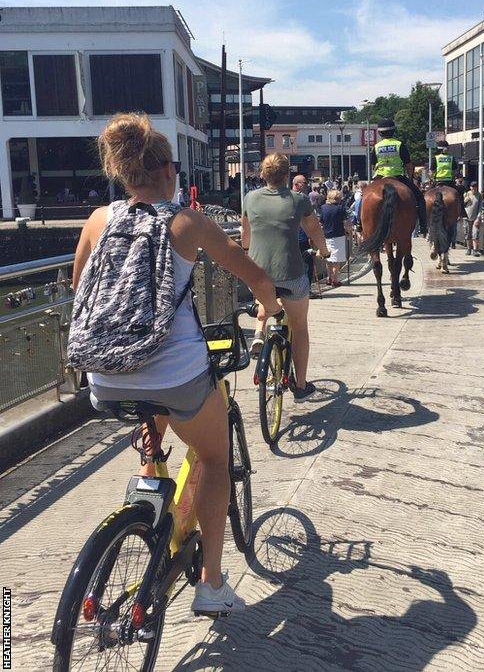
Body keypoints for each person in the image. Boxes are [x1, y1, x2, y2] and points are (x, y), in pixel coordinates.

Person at [73, 112, 280, 615]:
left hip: (103, 375)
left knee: (154, 414)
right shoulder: (187, 223)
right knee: (213, 457)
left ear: (124, 175)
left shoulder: (100, 219)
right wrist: (269, 307)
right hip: (177, 374)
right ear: (168, 171)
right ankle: (210, 586)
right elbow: (253, 274)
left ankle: (148, 498)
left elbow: (80, 288)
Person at [242, 153, 331, 400]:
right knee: (300, 327)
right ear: (287, 175)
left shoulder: (249, 198)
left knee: (262, 289)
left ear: (262, 174)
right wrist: (323, 251)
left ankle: (260, 330)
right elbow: (313, 229)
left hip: (257, 273)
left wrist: (248, 250)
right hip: (291, 274)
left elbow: (246, 236)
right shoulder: (298, 200)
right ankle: (300, 386)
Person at [370, 117, 428, 236]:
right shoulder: (399, 144)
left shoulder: (376, 147)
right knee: (420, 198)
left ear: (380, 133)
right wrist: (410, 178)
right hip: (398, 176)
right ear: (393, 131)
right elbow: (408, 165)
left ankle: (360, 223)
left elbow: (372, 166)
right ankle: (423, 225)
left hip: (380, 176)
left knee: (364, 196)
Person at [319, 189, 352, 286]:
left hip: (326, 236)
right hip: (338, 235)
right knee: (336, 260)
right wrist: (349, 231)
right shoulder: (341, 208)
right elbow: (346, 223)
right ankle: (335, 279)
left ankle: (329, 277)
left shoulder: (323, 208)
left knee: (328, 258)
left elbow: (321, 222)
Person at [463, 181, 484, 256]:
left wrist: (478, 217)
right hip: (466, 217)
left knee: (475, 234)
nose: (473, 188)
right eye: (472, 186)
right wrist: (466, 199)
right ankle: (469, 249)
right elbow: (462, 204)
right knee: (468, 234)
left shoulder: (479, 195)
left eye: (475, 186)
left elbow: (480, 207)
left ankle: (475, 250)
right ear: (470, 187)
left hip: (475, 218)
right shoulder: (466, 194)